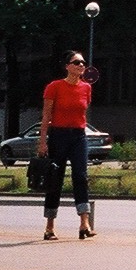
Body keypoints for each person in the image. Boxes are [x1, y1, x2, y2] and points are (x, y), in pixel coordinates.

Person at [39, 51, 97, 241]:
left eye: (83, 62)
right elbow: (46, 116)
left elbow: (82, 113)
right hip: (58, 135)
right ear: (67, 66)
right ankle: (49, 227)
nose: (81, 65)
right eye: (76, 62)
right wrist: (42, 142)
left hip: (79, 136)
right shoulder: (54, 87)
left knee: (81, 176)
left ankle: (84, 224)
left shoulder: (86, 88)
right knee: (55, 179)